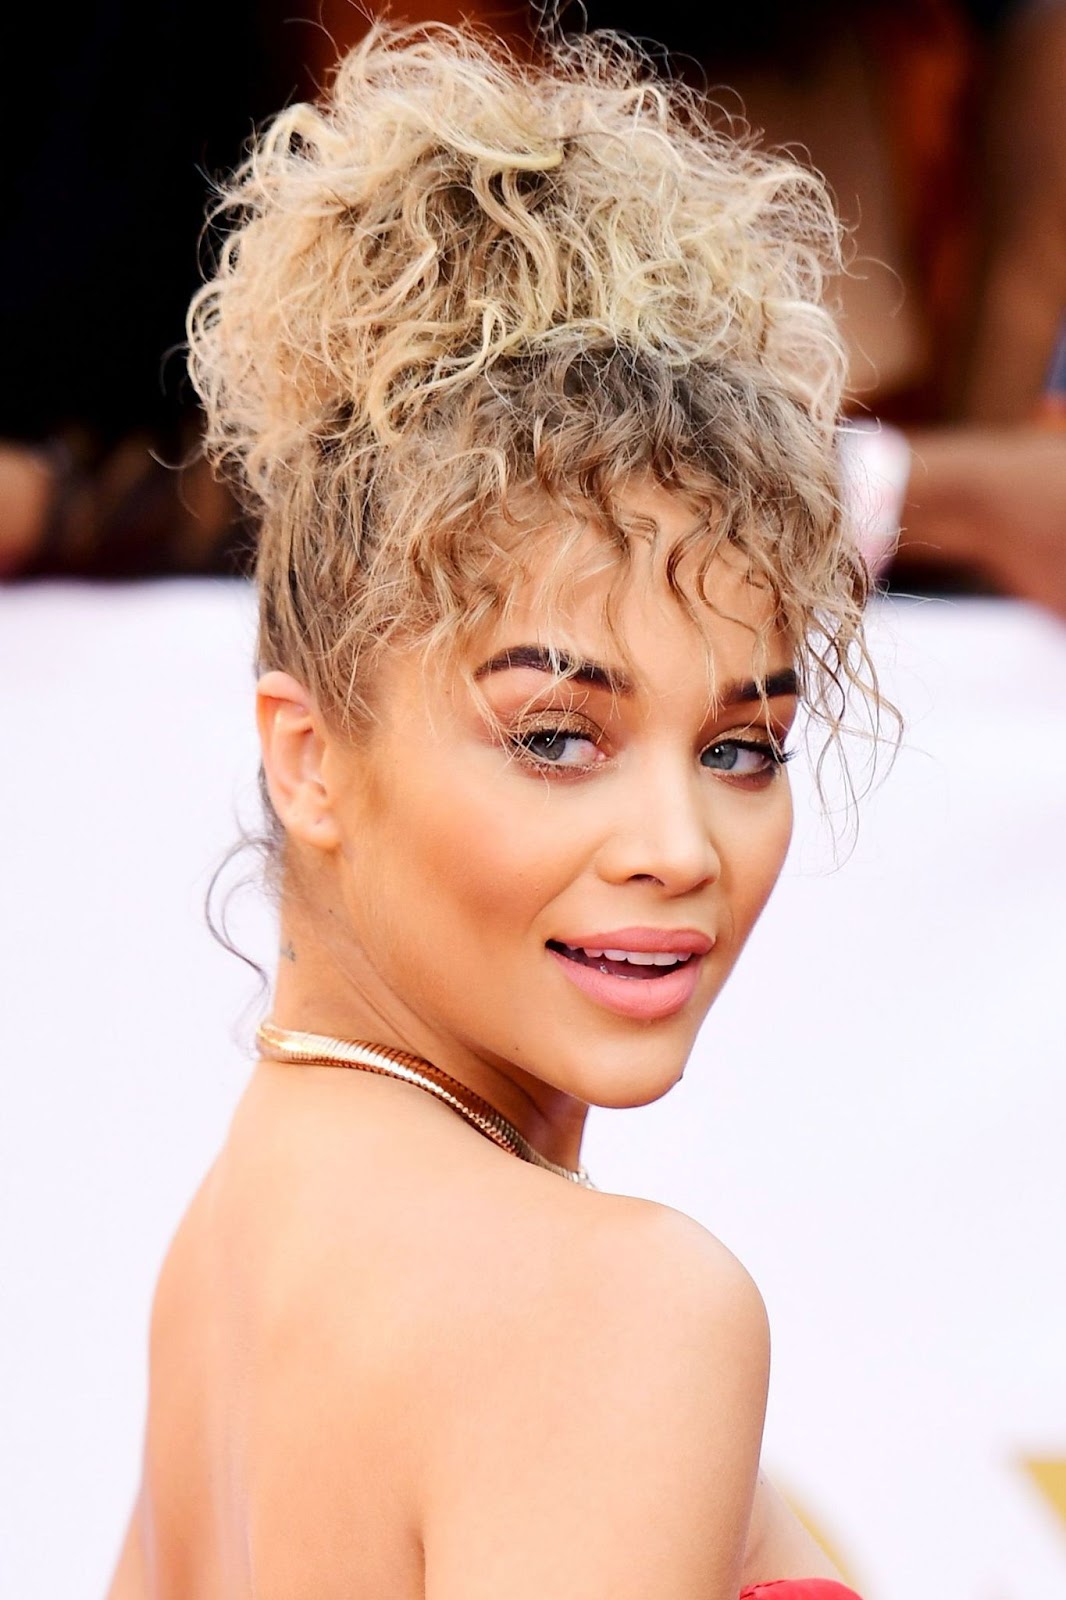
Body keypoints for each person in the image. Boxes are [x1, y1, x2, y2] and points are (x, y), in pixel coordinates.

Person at [106, 24, 885, 1598]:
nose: (676, 848)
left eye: (740, 748)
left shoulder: (235, 1246)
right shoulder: (616, 1310)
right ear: (308, 757)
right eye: (554, 737)